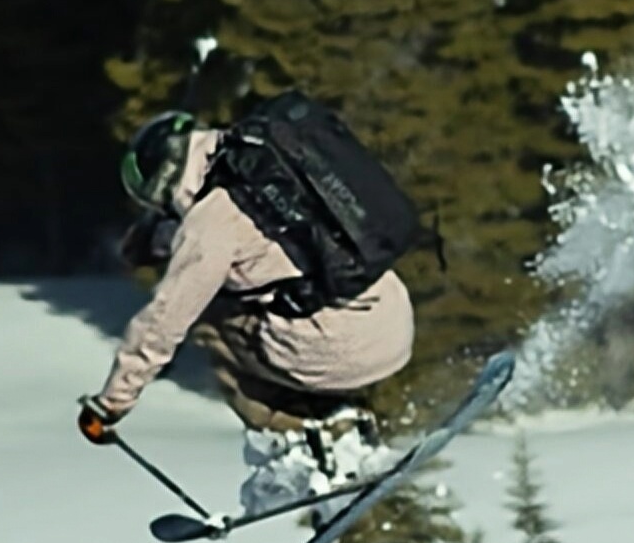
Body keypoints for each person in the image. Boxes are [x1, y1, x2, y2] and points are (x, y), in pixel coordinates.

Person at [79, 111, 415, 514]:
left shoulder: (210, 221)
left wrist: (111, 403)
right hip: (394, 324)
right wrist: (159, 240)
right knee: (283, 305)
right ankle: (346, 422)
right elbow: (254, 239)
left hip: (342, 355)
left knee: (212, 320)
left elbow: (162, 323)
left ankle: (289, 451)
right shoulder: (268, 159)